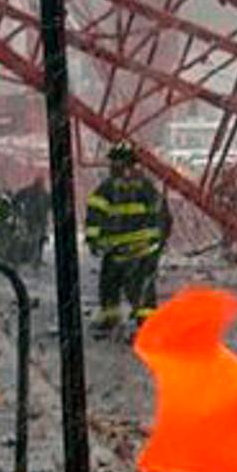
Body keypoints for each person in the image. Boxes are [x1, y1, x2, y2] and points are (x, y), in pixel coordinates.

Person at [84, 143, 171, 333]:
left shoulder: (107, 188)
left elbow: (94, 215)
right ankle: (147, 326)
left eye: (113, 163)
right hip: (142, 250)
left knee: (110, 286)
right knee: (141, 290)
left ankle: (113, 321)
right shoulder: (147, 188)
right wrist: (159, 242)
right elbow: (163, 217)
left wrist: (93, 241)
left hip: (119, 251)